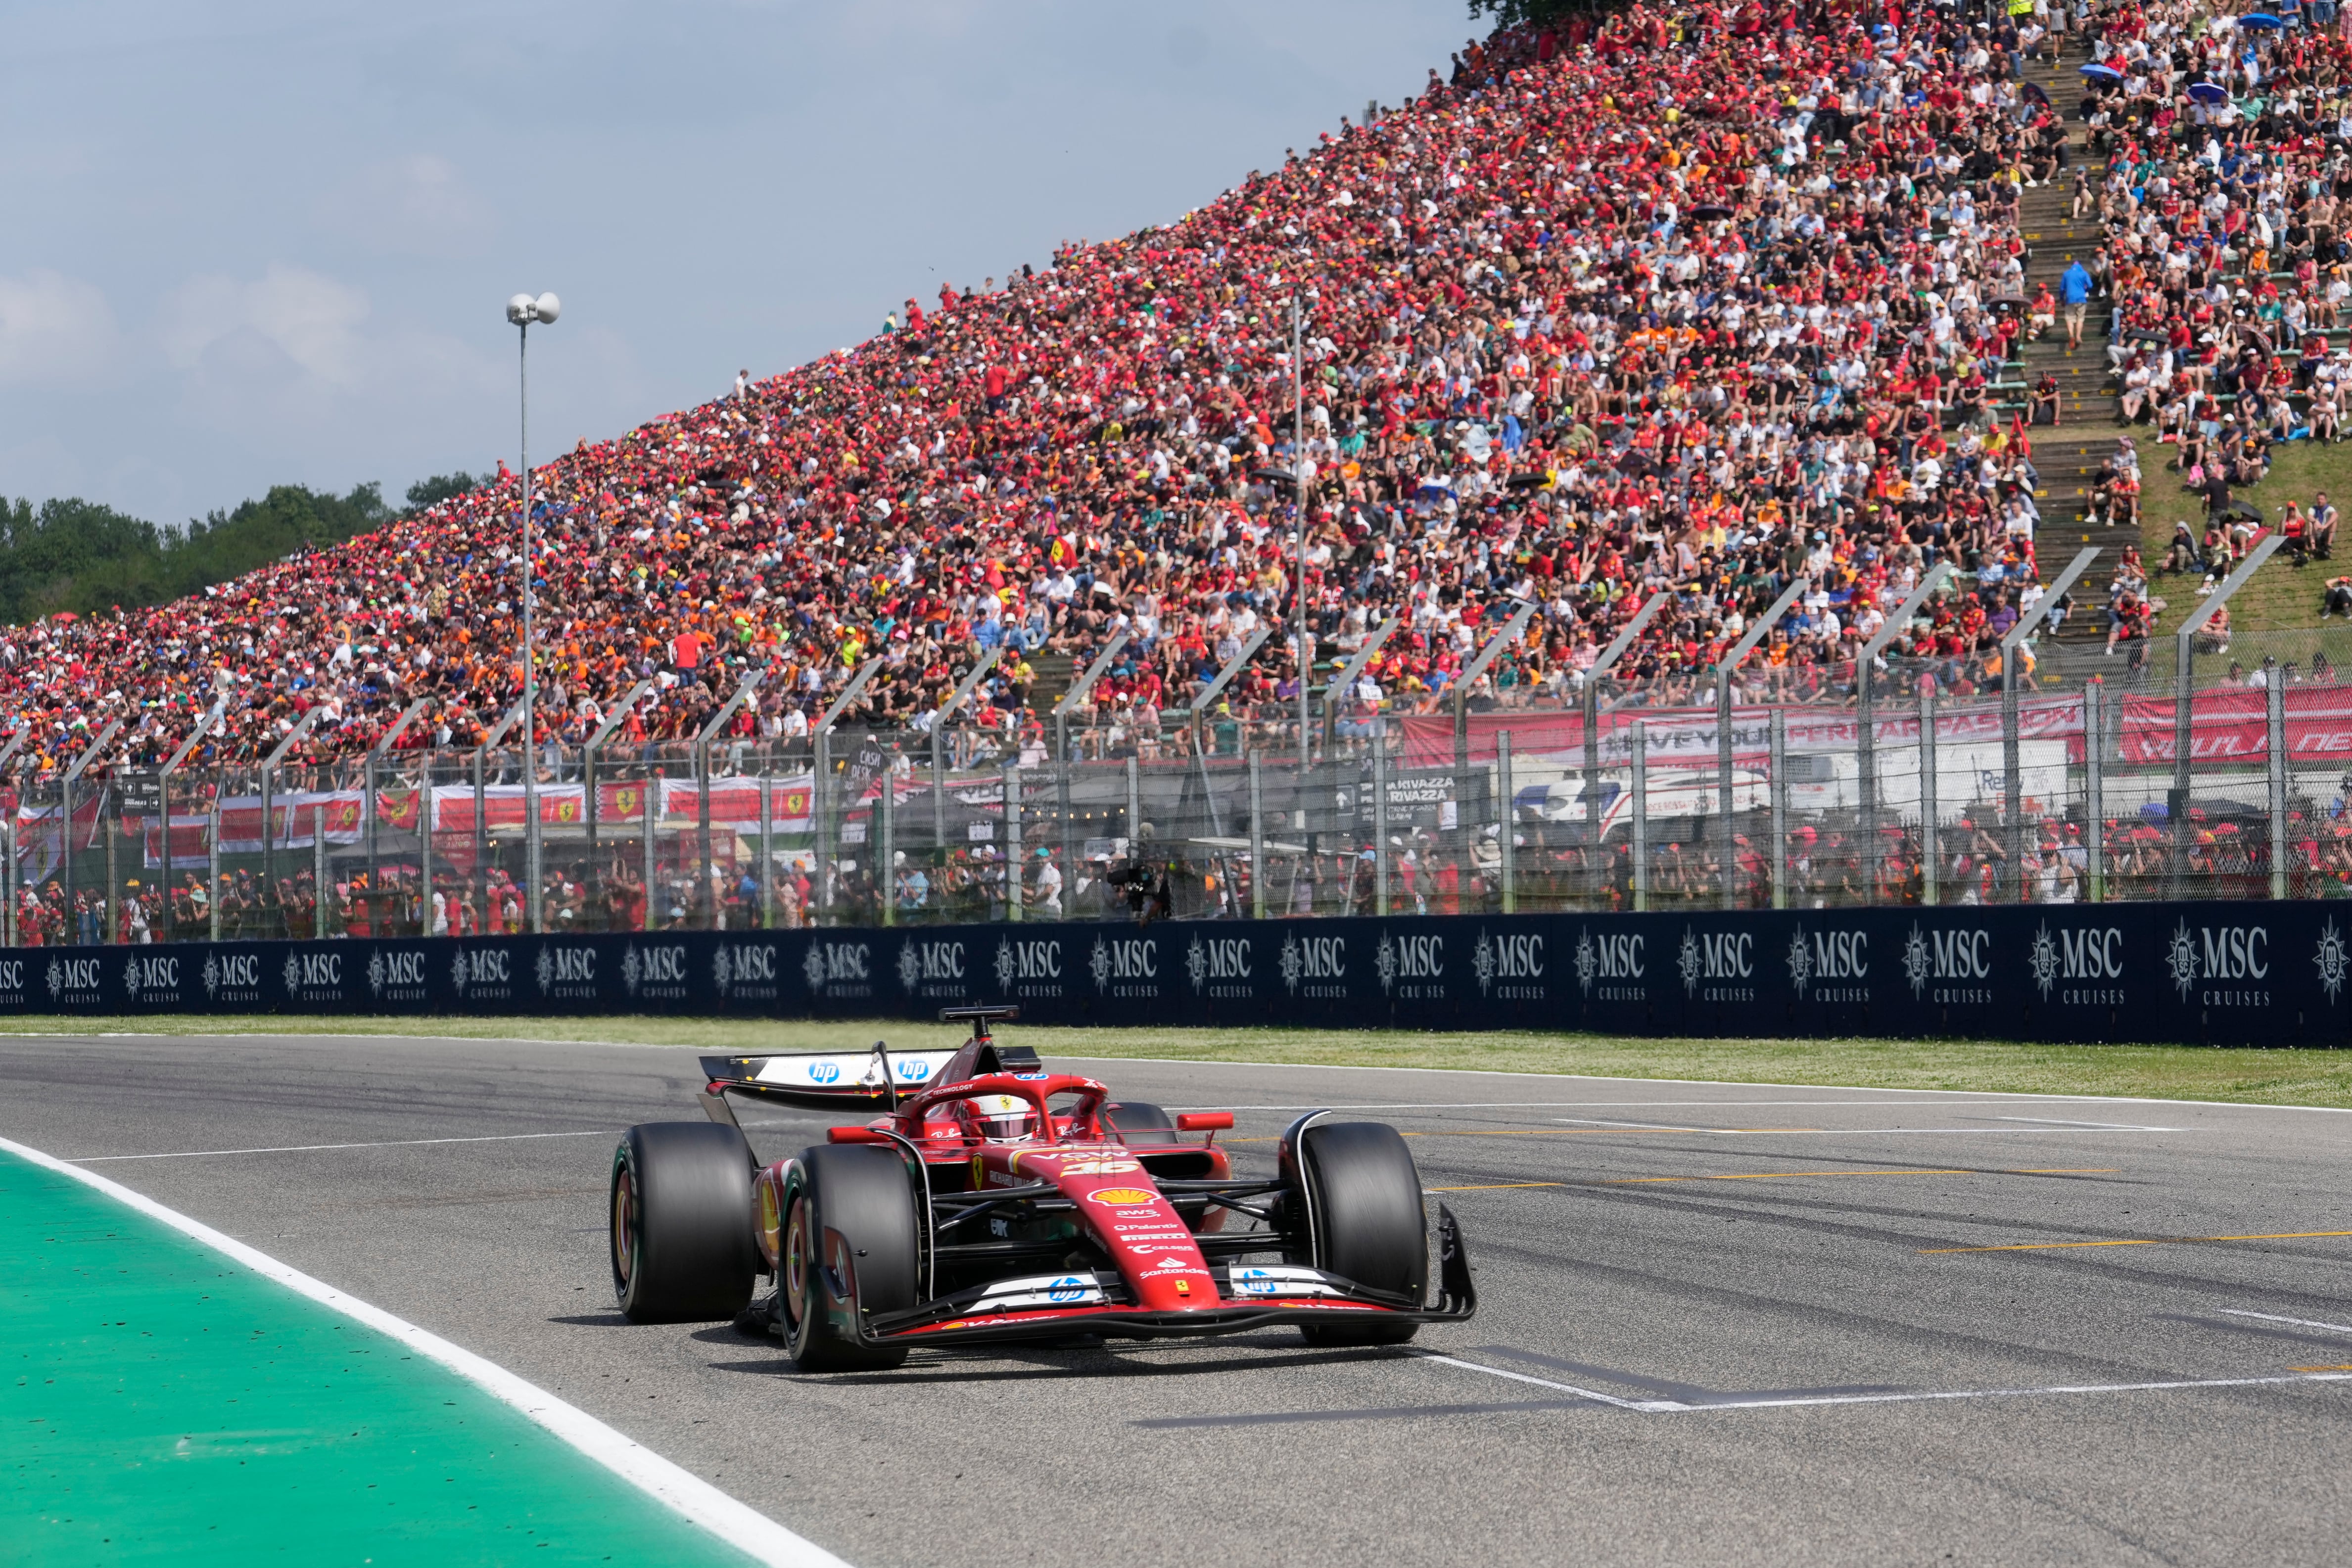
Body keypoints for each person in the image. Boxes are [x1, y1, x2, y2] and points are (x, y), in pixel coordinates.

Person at [2060, 255, 2095, 353]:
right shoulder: (2084, 273)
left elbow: (2062, 288)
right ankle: (2078, 336)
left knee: (2070, 318)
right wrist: (2085, 289)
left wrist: (2062, 299)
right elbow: (2091, 285)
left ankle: (2071, 334)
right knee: (2080, 318)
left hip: (2070, 299)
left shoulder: (2066, 274)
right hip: (2081, 298)